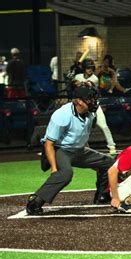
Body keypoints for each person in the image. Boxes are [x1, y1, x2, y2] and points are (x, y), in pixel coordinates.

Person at [25, 86, 115, 215]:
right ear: (79, 101)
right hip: (60, 150)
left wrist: (92, 161)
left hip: (79, 149)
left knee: (109, 163)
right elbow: (49, 143)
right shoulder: (62, 115)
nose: (94, 102)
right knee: (65, 174)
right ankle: (35, 201)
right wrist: (54, 169)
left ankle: (102, 196)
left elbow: (83, 136)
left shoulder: (90, 113)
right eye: (90, 99)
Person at [74, 58, 117, 154]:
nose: (90, 70)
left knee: (103, 126)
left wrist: (78, 83)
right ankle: (82, 146)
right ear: (84, 68)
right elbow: (75, 85)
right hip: (83, 107)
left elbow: (88, 85)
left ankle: (112, 146)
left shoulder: (95, 78)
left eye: (91, 68)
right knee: (82, 127)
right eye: (88, 68)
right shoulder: (78, 76)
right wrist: (72, 81)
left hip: (94, 105)